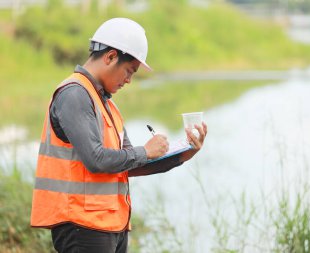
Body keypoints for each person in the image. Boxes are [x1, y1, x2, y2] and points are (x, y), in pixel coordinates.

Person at [30, 17, 207, 253]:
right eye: (129, 71)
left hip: (110, 225)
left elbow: (129, 165)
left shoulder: (107, 105)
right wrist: (144, 150)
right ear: (111, 56)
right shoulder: (74, 95)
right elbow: (96, 160)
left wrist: (185, 153)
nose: (129, 80)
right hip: (81, 226)